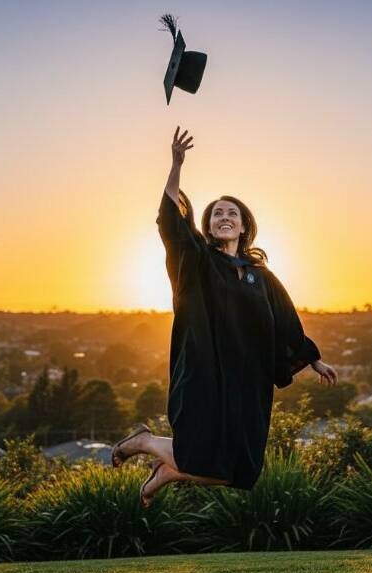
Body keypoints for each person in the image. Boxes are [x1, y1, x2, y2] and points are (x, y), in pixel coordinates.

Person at [112, 126, 338, 507]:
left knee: (240, 470)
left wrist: (313, 358)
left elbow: (285, 318)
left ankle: (166, 470)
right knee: (200, 451)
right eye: (217, 213)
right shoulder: (200, 261)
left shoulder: (260, 276)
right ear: (209, 225)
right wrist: (176, 165)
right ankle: (146, 443)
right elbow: (171, 225)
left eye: (232, 213)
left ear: (245, 225)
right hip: (206, 370)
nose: (224, 217)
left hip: (248, 379)